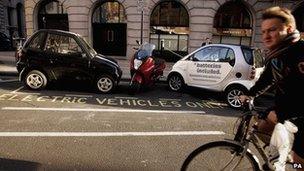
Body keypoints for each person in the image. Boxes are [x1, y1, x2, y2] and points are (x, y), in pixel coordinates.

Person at [239, 6, 304, 169]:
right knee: (261, 126)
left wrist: (283, 114)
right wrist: (249, 95)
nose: (266, 36)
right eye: (264, 31)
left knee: (299, 163)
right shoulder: (276, 55)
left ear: (289, 29)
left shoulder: (300, 53)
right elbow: (266, 80)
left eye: (272, 30)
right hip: (287, 109)